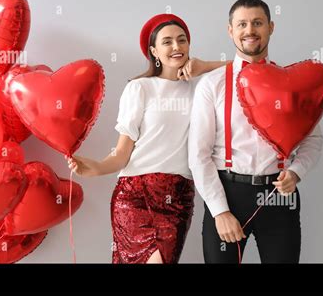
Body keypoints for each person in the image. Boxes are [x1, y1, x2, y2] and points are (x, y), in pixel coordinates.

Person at [67, 14, 224, 263]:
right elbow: (121, 154)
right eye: (167, 41)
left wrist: (204, 67)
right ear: (154, 51)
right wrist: (96, 167)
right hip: (135, 195)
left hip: (178, 197)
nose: (176, 47)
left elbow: (246, 69)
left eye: (182, 40)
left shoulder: (202, 89)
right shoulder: (140, 88)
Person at [188, 0, 323, 263]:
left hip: (278, 195)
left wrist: (296, 173)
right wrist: (220, 212)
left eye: (257, 23)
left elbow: (314, 140)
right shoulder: (212, 84)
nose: (249, 30)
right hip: (227, 193)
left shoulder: (290, 83)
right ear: (231, 31)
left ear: (271, 27)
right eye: (242, 24)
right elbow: (198, 155)